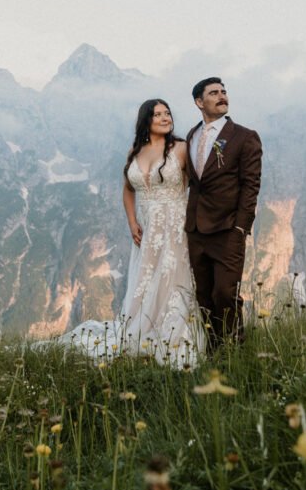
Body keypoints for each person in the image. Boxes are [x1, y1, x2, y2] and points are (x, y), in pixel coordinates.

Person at [61, 99, 205, 368]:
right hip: (148, 231)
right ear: (145, 121)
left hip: (177, 226)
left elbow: (200, 186)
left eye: (167, 113)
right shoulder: (134, 152)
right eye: (157, 114)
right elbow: (128, 188)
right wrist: (131, 221)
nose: (165, 118)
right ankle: (143, 330)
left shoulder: (182, 148)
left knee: (173, 279)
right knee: (147, 280)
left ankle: (173, 335)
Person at [185, 78, 262, 350]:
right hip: (195, 230)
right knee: (204, 295)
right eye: (214, 93)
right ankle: (213, 349)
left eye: (224, 92)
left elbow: (250, 185)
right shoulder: (191, 137)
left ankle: (234, 351)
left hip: (228, 229)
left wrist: (241, 227)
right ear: (199, 102)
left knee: (225, 293)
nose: (222, 96)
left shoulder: (244, 136)